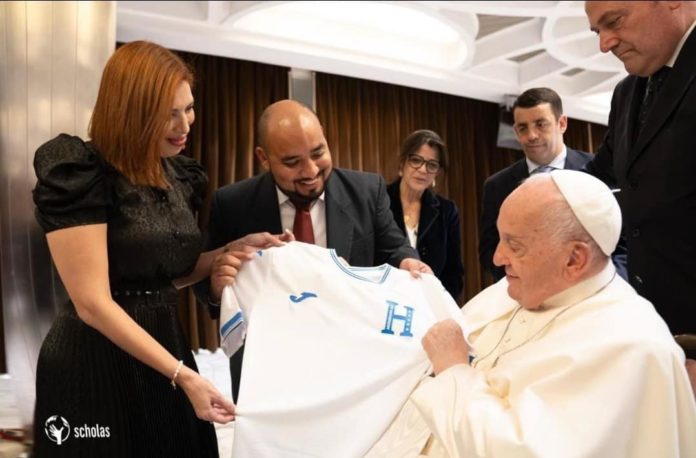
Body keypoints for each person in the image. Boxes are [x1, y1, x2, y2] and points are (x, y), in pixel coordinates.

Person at [31, 41, 235, 457]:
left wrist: (232, 251)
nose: (185, 125)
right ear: (129, 110)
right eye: (169, 114)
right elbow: (92, 303)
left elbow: (166, 275)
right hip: (94, 357)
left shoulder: (179, 177)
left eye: (189, 108)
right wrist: (185, 377)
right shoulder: (80, 171)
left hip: (165, 347)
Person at [410, 170, 696, 457]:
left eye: (514, 244)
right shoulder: (516, 286)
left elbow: (519, 451)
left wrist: (451, 369)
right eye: (499, 239)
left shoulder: (631, 346)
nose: (497, 258)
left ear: (574, 259)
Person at [200, 99, 429, 401]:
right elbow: (210, 292)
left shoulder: (367, 191)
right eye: (292, 162)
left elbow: (395, 248)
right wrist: (217, 287)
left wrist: (409, 264)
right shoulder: (231, 205)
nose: (310, 171)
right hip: (266, 374)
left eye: (318, 153)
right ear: (264, 158)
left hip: (351, 364)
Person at [583, 1, 696, 339]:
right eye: (597, 31)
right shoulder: (627, 91)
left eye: (614, 22)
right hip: (658, 328)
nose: (605, 44)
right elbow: (604, 171)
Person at [479, 87, 627, 282]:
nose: (531, 135)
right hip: (528, 295)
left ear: (562, 123)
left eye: (541, 124)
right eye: (523, 128)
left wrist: (607, 283)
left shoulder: (600, 173)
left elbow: (621, 240)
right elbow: (490, 251)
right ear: (515, 131)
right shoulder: (497, 186)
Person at [387, 129, 464, 302]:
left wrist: (439, 305)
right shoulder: (380, 202)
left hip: (429, 308)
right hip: (383, 304)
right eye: (416, 160)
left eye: (432, 164)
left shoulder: (447, 210)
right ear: (402, 163)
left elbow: (454, 272)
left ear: (437, 172)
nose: (423, 169)